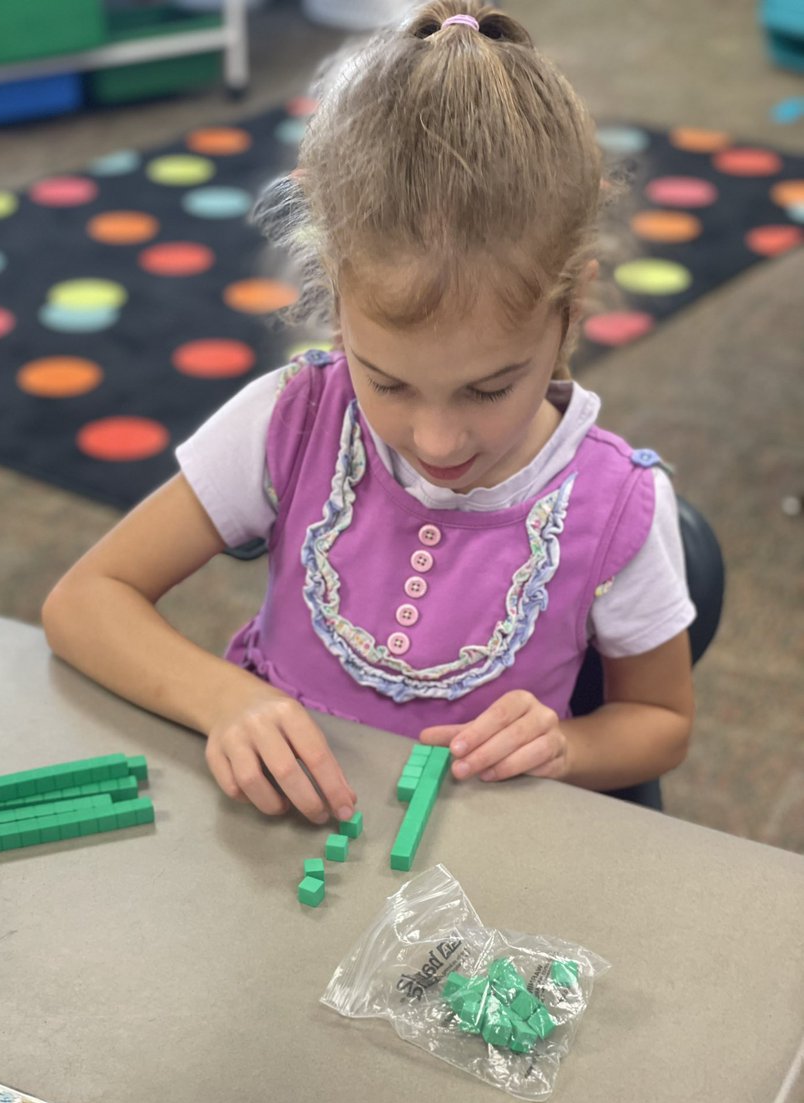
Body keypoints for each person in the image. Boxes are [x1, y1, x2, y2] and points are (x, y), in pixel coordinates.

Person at [42, 2, 696, 826]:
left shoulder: (618, 508)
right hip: (271, 844)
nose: (436, 441)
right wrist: (225, 700)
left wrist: (568, 748)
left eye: (489, 389)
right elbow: (85, 600)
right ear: (335, 302)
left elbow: (660, 721)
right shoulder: (292, 421)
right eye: (386, 382)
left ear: (573, 309)